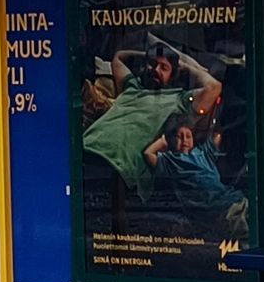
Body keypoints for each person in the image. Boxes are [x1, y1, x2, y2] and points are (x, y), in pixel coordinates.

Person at [81, 38, 223, 199]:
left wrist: (184, 65)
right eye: (152, 64)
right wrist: (146, 55)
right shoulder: (132, 87)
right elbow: (119, 57)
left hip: (116, 167)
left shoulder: (180, 100)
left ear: (173, 74)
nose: (155, 69)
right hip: (86, 148)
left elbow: (214, 87)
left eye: (164, 68)